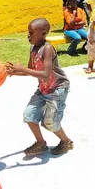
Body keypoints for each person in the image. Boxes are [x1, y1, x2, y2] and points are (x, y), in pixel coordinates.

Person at [5, 18, 73, 155]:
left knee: (50, 122)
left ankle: (66, 142)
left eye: (31, 32)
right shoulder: (33, 48)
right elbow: (32, 69)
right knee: (29, 115)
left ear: (43, 33)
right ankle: (41, 143)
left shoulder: (47, 49)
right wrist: (14, 72)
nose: (28, 35)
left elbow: (46, 74)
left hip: (57, 89)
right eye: (28, 32)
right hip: (43, 88)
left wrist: (22, 69)